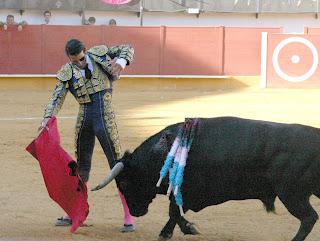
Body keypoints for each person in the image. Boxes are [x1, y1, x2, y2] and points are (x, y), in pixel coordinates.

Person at [39, 39, 135, 232]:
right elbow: (57, 97)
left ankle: (128, 216)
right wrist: (47, 119)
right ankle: (75, 212)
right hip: (84, 118)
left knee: (116, 165)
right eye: (75, 61)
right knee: (81, 167)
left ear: (85, 51)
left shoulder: (99, 54)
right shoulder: (68, 71)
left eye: (81, 59)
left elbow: (128, 48)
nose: (80, 63)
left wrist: (121, 62)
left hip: (105, 116)